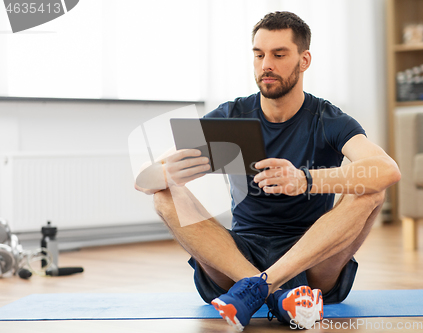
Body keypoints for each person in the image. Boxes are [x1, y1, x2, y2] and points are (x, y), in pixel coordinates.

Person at [135, 11, 400, 331]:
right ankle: (268, 290)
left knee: (371, 188)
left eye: (278, 54)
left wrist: (304, 180)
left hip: (311, 256)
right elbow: (147, 180)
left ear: (304, 60)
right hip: (237, 257)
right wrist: (162, 175)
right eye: (259, 55)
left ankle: (260, 287)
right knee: (165, 194)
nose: (266, 65)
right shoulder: (232, 114)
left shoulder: (328, 119)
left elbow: (387, 169)